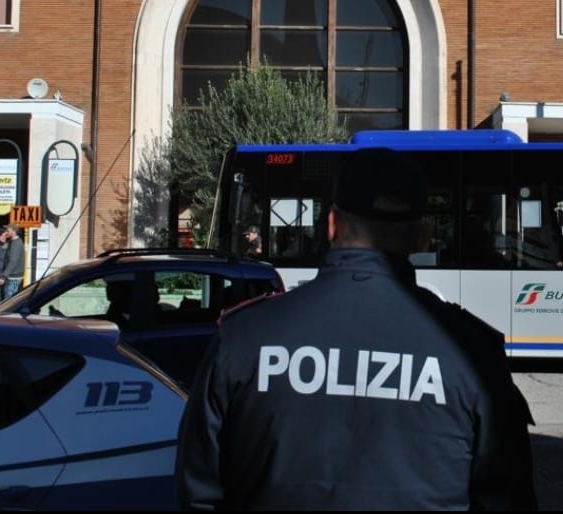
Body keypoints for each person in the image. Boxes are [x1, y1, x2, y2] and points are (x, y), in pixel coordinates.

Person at [176, 147, 537, 510]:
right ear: (423, 237)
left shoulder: (242, 338)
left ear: (331, 224)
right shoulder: (473, 352)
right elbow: (508, 498)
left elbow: (199, 492)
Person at [1, 224, 25, 298]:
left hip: (14, 277)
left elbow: (13, 262)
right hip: (11, 276)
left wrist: (4, 276)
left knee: (9, 299)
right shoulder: (11, 242)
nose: (6, 232)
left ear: (14, 232)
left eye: (8, 231)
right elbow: (3, 250)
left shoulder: (17, 244)